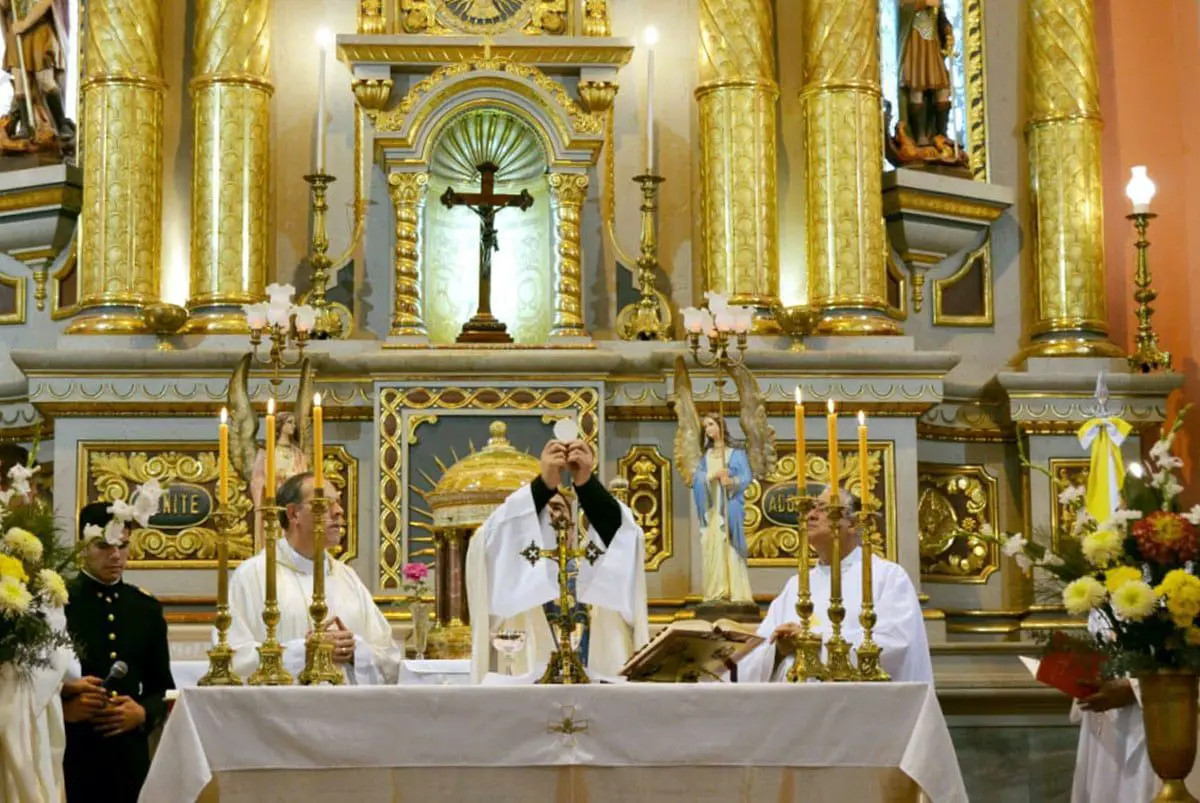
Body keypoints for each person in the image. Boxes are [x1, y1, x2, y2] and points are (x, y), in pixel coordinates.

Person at [466, 438, 649, 682]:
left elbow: (624, 536)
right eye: (545, 511)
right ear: (527, 530)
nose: (553, 516)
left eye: (560, 510)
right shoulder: (517, 580)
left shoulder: (596, 570)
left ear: (573, 528)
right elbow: (487, 539)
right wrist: (544, 485)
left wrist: (585, 483)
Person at [739, 486, 932, 683]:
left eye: (822, 508)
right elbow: (760, 647)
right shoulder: (796, 585)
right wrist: (778, 650)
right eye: (810, 508)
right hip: (799, 705)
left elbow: (897, 642)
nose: (810, 516)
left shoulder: (887, 577)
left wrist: (815, 642)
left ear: (853, 523)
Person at [225, 472, 401, 684]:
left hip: (348, 712)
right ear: (293, 514)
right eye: (325, 504)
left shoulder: (347, 577)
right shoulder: (252, 576)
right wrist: (303, 652)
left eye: (337, 503)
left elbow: (389, 658)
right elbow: (233, 660)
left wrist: (355, 651)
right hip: (283, 712)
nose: (338, 511)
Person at [62, 500, 174, 803]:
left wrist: (141, 713)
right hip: (71, 750)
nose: (115, 556)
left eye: (123, 546)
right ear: (82, 546)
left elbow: (163, 688)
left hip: (128, 754)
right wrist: (64, 711)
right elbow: (30, 684)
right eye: (104, 545)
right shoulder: (58, 602)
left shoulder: (145, 608)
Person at [690, 415, 754, 604]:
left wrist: (731, 481)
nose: (709, 429)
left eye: (711, 424)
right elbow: (697, 480)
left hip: (729, 506)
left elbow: (746, 477)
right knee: (714, 546)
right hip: (712, 510)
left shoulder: (735, 453)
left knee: (730, 546)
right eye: (706, 426)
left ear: (720, 425)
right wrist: (711, 475)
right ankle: (717, 590)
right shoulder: (706, 457)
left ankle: (736, 592)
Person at [0, 0, 73, 147]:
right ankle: (27, 126)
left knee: (45, 79)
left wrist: (25, 23)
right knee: (20, 82)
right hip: (17, 33)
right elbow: (5, 5)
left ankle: (61, 123)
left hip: (39, 28)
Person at [899, 0, 954, 146]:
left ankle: (941, 134)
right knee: (917, 87)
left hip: (932, 46)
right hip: (914, 46)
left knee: (943, 88)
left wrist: (948, 31)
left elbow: (941, 18)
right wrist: (925, 2)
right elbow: (903, 8)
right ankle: (920, 135)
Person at [250, 411, 309, 539]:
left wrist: (292, 476)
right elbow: (258, 480)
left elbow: (304, 479)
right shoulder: (267, 452)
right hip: (274, 501)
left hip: (292, 500)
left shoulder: (297, 454)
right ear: (280, 426)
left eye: (294, 423)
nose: (293, 426)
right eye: (289, 422)